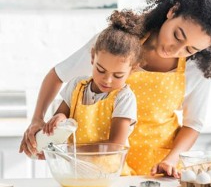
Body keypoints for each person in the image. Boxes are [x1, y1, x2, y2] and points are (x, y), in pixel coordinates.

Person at [19, 0, 211, 177]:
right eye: (177, 35)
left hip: (155, 172)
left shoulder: (197, 67)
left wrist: (170, 160)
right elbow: (57, 76)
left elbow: (193, 124)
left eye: (190, 49)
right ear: (173, 11)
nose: (176, 50)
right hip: (99, 168)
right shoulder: (119, 42)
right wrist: (38, 120)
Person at [38, 10, 143, 157]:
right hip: (73, 171)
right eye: (100, 70)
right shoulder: (76, 86)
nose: (107, 80)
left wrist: (70, 152)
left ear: (133, 69)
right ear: (93, 57)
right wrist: (60, 119)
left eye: (118, 75)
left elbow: (115, 146)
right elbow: (63, 113)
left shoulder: (124, 98)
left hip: (108, 175)